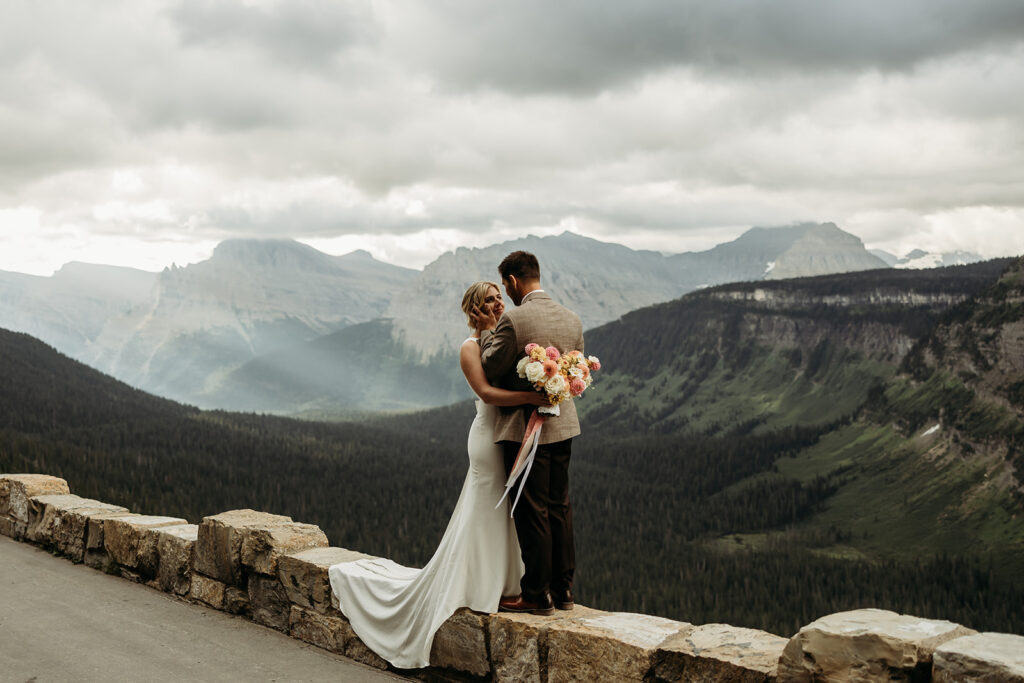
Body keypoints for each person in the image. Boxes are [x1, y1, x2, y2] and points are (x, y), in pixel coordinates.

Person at [328, 281, 546, 670]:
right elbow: (487, 393)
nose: (497, 303)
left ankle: (504, 582)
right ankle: (478, 583)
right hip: (485, 438)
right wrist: (533, 398)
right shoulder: (470, 347)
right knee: (485, 504)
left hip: (508, 436)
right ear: (474, 308)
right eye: (489, 299)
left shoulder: (505, 338)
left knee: (506, 508)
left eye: (499, 297)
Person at [476, 250, 585, 616]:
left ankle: (536, 593)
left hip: (526, 428)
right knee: (559, 505)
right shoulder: (571, 319)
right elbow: (576, 374)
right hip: (563, 423)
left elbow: (491, 366)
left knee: (531, 508)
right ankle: (564, 589)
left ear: (512, 282)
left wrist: (489, 332)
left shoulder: (512, 320)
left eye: (504, 287)